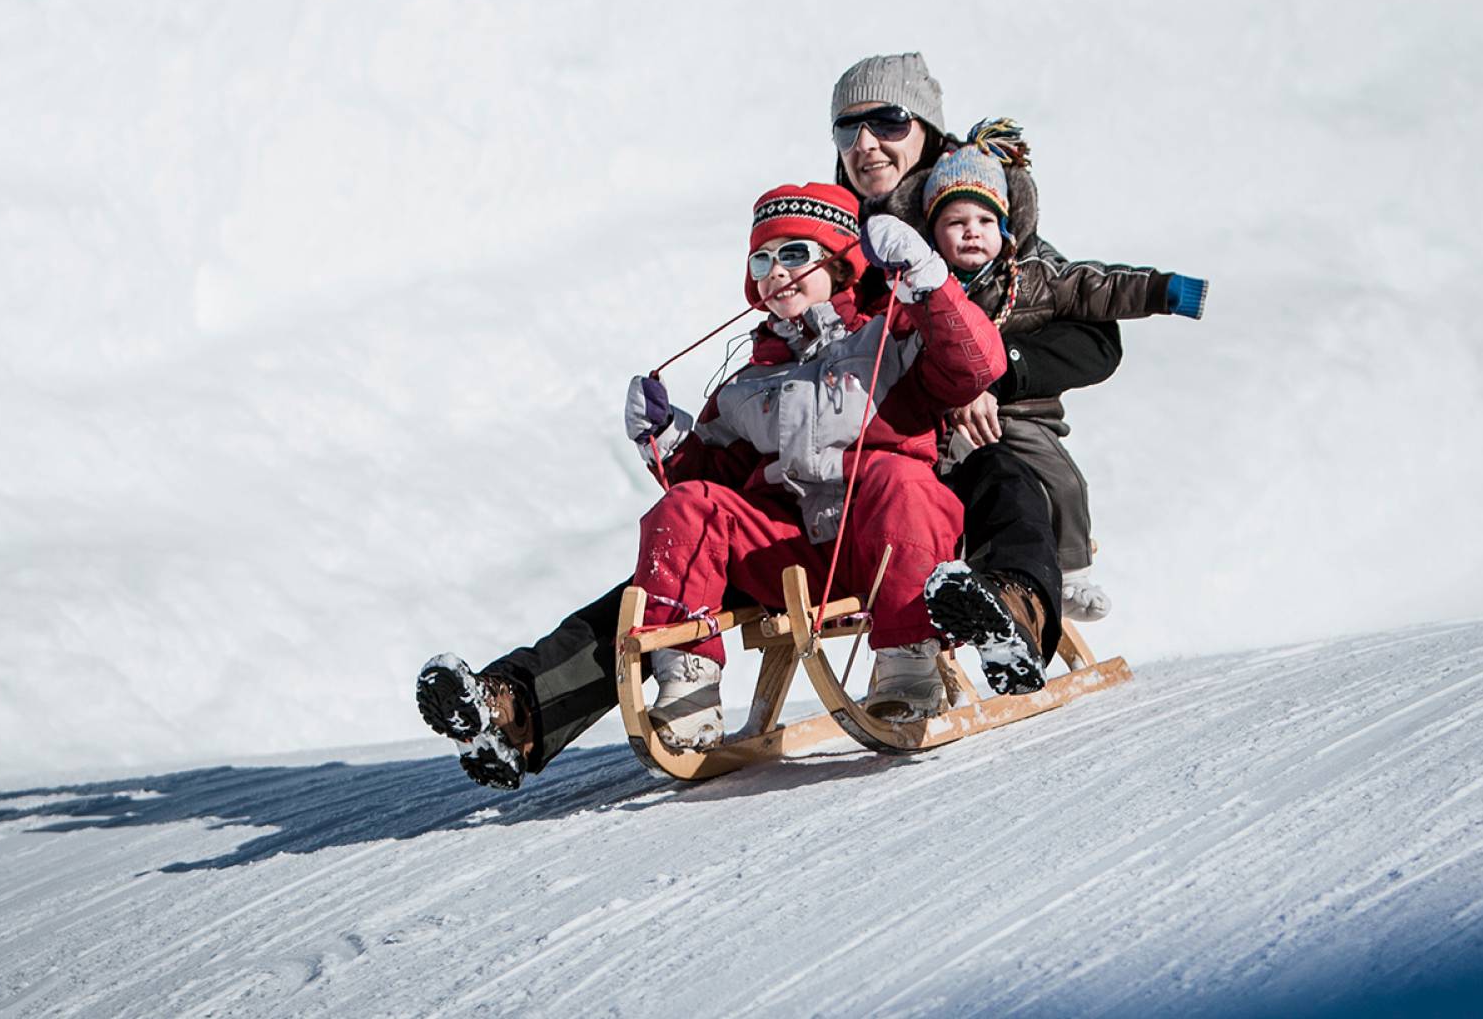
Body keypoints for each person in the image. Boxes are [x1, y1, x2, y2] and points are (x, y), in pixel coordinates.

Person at [414, 53, 1144, 789]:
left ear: (926, 127)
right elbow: (742, 424)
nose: (868, 142)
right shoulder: (825, 220)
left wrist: (995, 371)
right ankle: (519, 705)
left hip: (961, 432)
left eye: (888, 121)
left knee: (1002, 485)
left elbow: (1090, 331)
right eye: (849, 126)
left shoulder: (973, 200)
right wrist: (675, 443)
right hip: (814, 470)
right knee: (684, 547)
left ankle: (1007, 623)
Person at [622, 182, 1006, 745]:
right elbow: (710, 481)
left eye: (794, 255)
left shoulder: (888, 338)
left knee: (897, 477)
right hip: (791, 555)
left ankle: (906, 665)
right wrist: (665, 437)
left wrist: (930, 284)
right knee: (688, 506)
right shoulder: (747, 382)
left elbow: (974, 366)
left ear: (841, 265)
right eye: (762, 259)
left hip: (886, 545)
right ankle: (688, 686)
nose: (776, 272)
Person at [892, 119, 1208, 625]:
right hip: (946, 418)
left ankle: (1073, 570)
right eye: (956, 223)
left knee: (1060, 479)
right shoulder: (922, 287)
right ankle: (964, 576)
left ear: (1007, 229)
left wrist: (1162, 290)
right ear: (932, 234)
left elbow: (1097, 288)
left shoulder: (1035, 276)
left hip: (1022, 413)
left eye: (984, 220)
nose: (971, 231)